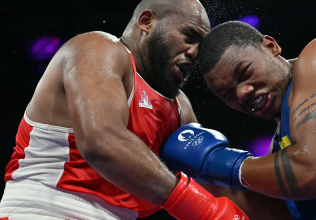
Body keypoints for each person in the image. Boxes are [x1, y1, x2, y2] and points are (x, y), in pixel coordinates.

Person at [0, 1, 253, 219]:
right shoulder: (98, 49)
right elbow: (102, 142)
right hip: (45, 209)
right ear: (146, 21)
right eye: (189, 36)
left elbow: (218, 184)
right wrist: (205, 211)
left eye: (201, 45)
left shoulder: (179, 107)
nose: (195, 53)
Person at [161, 21, 316, 219]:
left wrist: (216, 161)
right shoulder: (281, 145)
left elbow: (311, 172)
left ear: (270, 46)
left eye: (245, 73)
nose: (242, 93)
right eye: (227, 94)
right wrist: (195, 176)